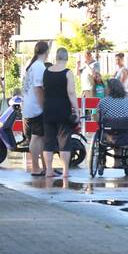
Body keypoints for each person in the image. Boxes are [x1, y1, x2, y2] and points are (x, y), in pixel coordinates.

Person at [41, 47, 82, 183]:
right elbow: (71, 92)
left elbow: (43, 89)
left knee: (48, 141)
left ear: (56, 57)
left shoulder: (46, 72)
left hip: (48, 109)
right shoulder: (68, 73)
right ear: (66, 58)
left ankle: (48, 170)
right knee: (64, 140)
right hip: (63, 109)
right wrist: (76, 109)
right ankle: (65, 171)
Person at [23, 41, 50, 176]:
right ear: (47, 52)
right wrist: (43, 105)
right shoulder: (39, 67)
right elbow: (38, 88)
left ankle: (41, 166)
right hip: (36, 106)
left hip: (28, 105)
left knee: (37, 137)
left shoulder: (31, 65)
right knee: (37, 137)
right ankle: (35, 167)